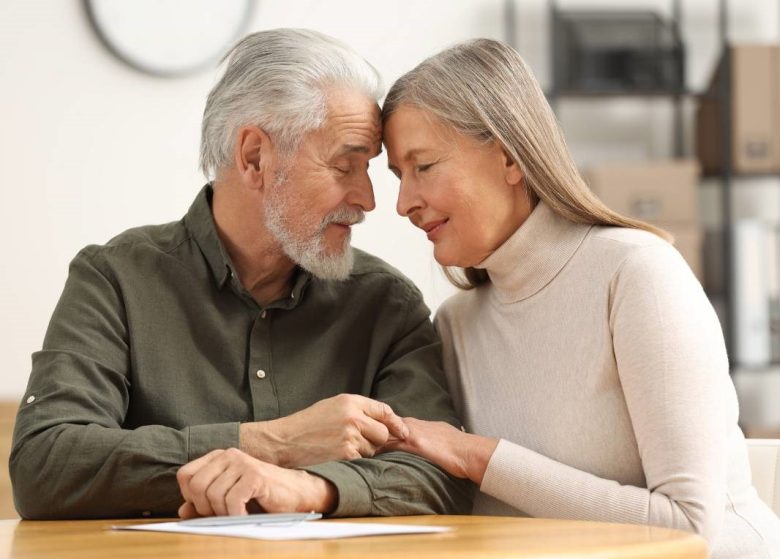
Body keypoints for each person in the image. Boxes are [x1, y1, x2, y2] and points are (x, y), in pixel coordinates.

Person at [10, 29, 471, 520]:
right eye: (344, 166)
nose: (369, 200)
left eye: (369, 170)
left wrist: (309, 488)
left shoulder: (387, 304)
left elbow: (440, 477)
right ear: (254, 157)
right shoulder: (115, 279)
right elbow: (45, 466)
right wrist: (277, 443)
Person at [381, 38, 780, 559]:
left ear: (508, 156)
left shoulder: (636, 274)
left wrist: (477, 457)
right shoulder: (457, 323)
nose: (403, 202)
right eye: (398, 175)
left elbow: (686, 526)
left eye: (424, 166)